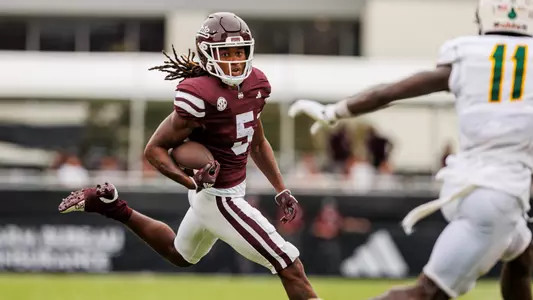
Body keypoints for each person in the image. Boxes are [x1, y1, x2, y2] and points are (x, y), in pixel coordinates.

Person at [58, 12, 319, 300]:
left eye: (239, 52)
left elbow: (257, 143)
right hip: (218, 197)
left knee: (180, 254)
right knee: (290, 265)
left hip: (222, 193)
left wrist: (281, 188)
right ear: (208, 55)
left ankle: (111, 205)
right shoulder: (199, 94)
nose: (235, 61)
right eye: (226, 53)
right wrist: (191, 182)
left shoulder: (256, 84)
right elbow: (154, 150)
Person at [289, 1, 533, 299]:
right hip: (499, 196)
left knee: (521, 258)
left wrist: (335, 111)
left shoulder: (467, 55)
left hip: (469, 187)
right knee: (426, 293)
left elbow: (390, 92)